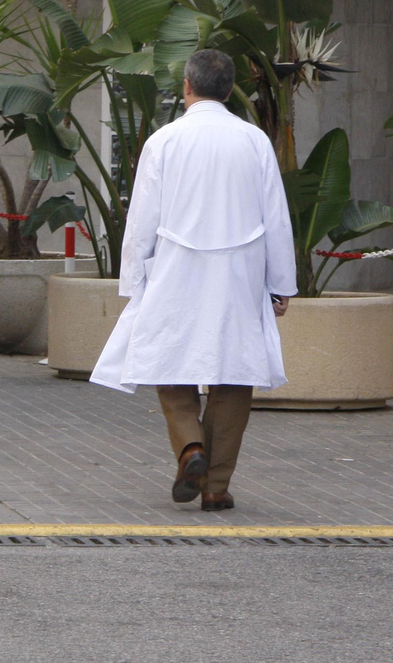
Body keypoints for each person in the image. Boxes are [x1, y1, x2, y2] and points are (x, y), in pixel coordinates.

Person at [90, 48, 295, 512]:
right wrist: (280, 284)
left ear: (187, 86)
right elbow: (276, 217)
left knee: (170, 363)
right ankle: (216, 487)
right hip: (239, 273)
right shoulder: (254, 140)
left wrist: (134, 281)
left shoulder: (165, 141)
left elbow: (142, 217)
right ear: (228, 90)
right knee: (234, 373)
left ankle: (190, 449)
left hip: (175, 268)